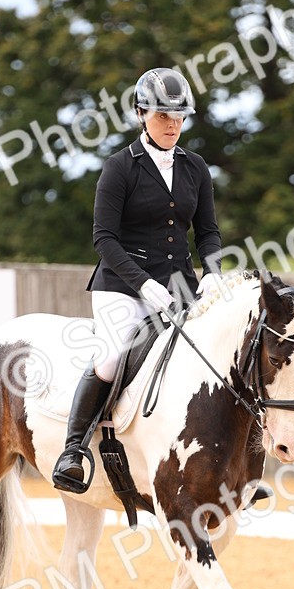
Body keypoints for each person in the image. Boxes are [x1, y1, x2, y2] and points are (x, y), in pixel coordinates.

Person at [51, 67, 223, 492]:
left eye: (180, 117)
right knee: (111, 356)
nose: (173, 125)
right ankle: (74, 450)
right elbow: (103, 238)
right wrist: (143, 284)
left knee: (213, 355)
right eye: (164, 116)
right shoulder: (119, 168)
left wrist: (214, 274)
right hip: (122, 284)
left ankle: (225, 463)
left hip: (181, 283)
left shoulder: (196, 167)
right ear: (141, 113)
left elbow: (207, 232)